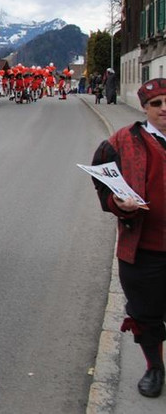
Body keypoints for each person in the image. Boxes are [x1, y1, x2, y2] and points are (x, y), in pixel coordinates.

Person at [91, 78, 166, 398]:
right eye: (157, 104)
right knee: (146, 313)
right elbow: (103, 183)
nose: (164, 109)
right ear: (145, 108)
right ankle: (154, 367)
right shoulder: (122, 142)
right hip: (144, 248)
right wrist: (117, 204)